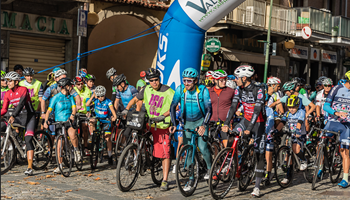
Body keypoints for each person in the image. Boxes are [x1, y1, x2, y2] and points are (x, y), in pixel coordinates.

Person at [125, 68, 174, 191]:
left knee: (164, 153)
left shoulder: (168, 91)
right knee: (133, 132)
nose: (154, 83)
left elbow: (176, 106)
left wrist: (164, 115)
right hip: (149, 122)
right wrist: (127, 108)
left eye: (156, 80)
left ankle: (165, 180)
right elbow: (136, 99)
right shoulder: (146, 89)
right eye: (151, 81)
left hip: (162, 125)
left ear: (159, 79)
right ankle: (142, 156)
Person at [222, 65, 266, 197]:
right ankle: (231, 161)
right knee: (230, 136)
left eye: (237, 78)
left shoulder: (259, 90)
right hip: (245, 120)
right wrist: (226, 123)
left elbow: (257, 111)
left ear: (245, 78)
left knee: (259, 154)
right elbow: (233, 106)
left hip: (258, 123)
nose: (235, 80)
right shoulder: (238, 89)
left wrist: (249, 129)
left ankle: (257, 187)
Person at [169, 67, 212, 192]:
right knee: (188, 151)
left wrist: (204, 125)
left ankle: (210, 168)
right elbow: (173, 106)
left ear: (195, 80)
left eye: (189, 81)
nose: (186, 83)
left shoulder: (203, 90)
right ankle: (191, 178)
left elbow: (209, 109)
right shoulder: (180, 90)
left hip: (201, 121)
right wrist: (173, 123)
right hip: (187, 123)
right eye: (184, 81)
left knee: (202, 147)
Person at [1, 72, 36, 176]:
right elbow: (4, 109)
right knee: (5, 127)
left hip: (29, 116)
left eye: (10, 81)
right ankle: (18, 147)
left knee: (28, 139)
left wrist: (13, 115)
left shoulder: (23, 90)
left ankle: (30, 167)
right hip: (19, 117)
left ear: (16, 82)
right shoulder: (7, 93)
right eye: (7, 81)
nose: (7, 83)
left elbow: (21, 104)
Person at [43, 78, 81, 173]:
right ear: (65, 86)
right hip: (59, 122)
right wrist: (46, 121)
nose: (72, 87)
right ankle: (60, 165)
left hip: (69, 120)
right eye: (70, 85)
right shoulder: (56, 97)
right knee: (59, 144)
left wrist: (72, 115)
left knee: (72, 135)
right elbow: (49, 111)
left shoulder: (70, 97)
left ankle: (76, 151)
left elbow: (74, 108)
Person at [323, 70, 350, 188]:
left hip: (347, 125)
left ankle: (345, 179)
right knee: (321, 142)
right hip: (333, 121)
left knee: (345, 152)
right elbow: (325, 106)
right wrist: (336, 112)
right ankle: (319, 167)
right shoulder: (337, 88)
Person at [275, 95, 309, 184]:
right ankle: (288, 175)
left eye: (293, 107)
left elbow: (299, 122)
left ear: (297, 106)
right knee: (288, 154)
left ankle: (303, 160)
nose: (291, 109)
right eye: (290, 107)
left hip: (300, 134)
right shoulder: (287, 113)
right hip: (291, 134)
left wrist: (297, 130)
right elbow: (282, 122)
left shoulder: (301, 112)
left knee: (296, 149)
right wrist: (276, 130)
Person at [86, 85, 117, 165]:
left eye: (102, 96)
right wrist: (93, 95)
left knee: (107, 138)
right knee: (91, 121)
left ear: (105, 94)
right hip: (98, 119)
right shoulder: (96, 100)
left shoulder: (108, 101)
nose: (100, 98)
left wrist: (114, 117)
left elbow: (112, 110)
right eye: (99, 96)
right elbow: (87, 104)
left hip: (106, 120)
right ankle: (93, 137)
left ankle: (110, 156)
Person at [208, 69, 235, 147]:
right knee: (215, 145)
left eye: (225, 80)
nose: (224, 82)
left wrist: (231, 120)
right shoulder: (209, 92)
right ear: (216, 81)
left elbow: (235, 106)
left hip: (225, 122)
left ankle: (229, 158)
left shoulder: (231, 91)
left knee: (227, 146)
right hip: (213, 122)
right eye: (221, 80)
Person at [73, 76, 92, 156]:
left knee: (84, 128)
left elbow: (88, 101)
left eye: (81, 84)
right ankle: (75, 147)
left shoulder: (87, 90)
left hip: (84, 112)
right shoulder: (73, 90)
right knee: (73, 130)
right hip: (75, 112)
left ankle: (86, 147)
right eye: (78, 84)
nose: (80, 86)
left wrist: (88, 111)